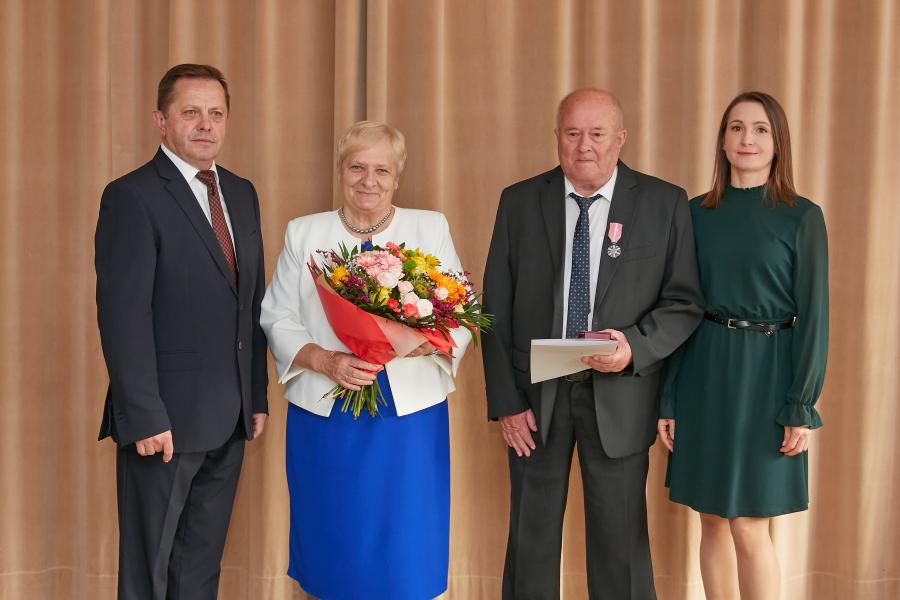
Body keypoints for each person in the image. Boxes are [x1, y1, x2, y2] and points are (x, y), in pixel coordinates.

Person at [482, 88, 705, 599]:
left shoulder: (664, 202)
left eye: (597, 133)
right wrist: (507, 403)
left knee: (620, 544)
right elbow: (493, 308)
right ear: (557, 137)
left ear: (620, 139)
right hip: (535, 397)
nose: (585, 145)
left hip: (622, 393)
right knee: (531, 539)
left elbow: (684, 301)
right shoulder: (519, 201)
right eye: (573, 133)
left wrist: (634, 347)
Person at [260, 120, 471, 599]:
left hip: (409, 416)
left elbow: (460, 312)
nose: (368, 181)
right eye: (357, 167)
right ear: (340, 170)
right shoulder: (304, 232)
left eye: (381, 170)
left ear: (398, 175)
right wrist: (325, 361)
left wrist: (418, 343)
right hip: (326, 411)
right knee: (335, 535)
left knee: (405, 541)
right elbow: (277, 315)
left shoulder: (429, 227)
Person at [94, 63, 269, 600]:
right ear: (161, 121)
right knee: (148, 572)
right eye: (190, 112)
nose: (205, 125)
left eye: (216, 113)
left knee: (199, 568)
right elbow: (123, 317)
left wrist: (256, 395)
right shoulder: (132, 196)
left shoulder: (241, 192)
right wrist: (144, 415)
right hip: (164, 423)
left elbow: (250, 303)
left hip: (230, 417)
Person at [658, 91, 828, 599]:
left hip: (768, 377)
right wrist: (668, 397)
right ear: (722, 140)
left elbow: (815, 318)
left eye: (759, 129)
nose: (746, 139)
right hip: (705, 373)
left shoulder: (801, 216)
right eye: (736, 127)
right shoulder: (693, 213)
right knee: (711, 519)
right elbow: (680, 308)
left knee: (749, 525)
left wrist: (801, 405)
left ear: (778, 143)